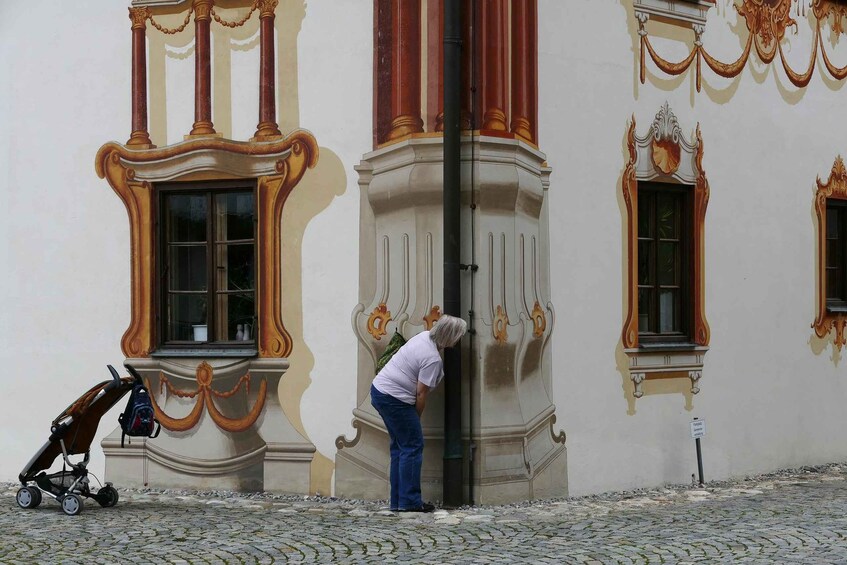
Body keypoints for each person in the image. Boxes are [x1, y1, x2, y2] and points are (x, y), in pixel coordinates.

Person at [370, 314, 468, 513]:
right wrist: (415, 418)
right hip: (394, 399)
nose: (459, 340)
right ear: (451, 336)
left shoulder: (423, 337)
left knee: (400, 448)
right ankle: (410, 502)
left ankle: (398, 501)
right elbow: (421, 393)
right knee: (412, 446)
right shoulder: (432, 359)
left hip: (380, 391)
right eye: (458, 336)